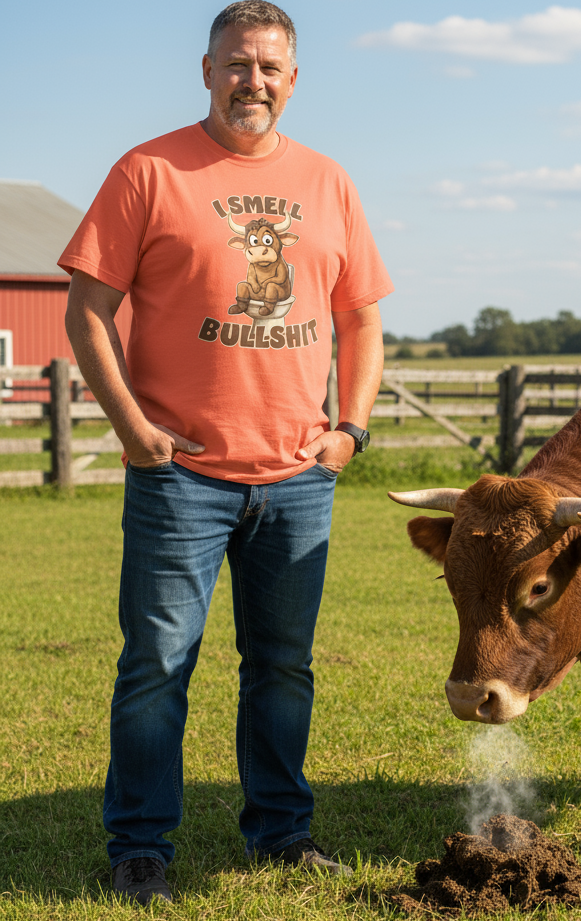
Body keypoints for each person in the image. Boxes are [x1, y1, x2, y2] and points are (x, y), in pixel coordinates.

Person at [60, 1, 392, 905]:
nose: (253, 81)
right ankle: (140, 846)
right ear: (206, 70)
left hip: (297, 477)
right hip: (180, 474)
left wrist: (348, 429)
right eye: (237, 64)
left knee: (283, 666)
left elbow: (360, 317)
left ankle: (281, 833)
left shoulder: (328, 182)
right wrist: (134, 430)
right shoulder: (149, 170)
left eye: (270, 67)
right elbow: (86, 311)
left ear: (293, 81)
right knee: (158, 664)